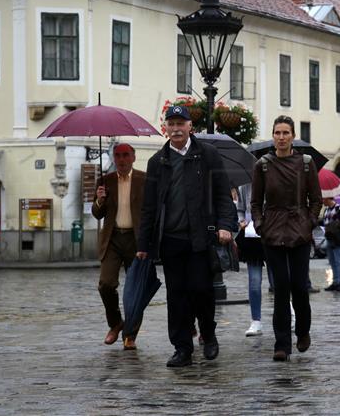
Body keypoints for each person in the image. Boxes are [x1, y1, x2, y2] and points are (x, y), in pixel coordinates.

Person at [136, 105, 237, 368]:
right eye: (172, 124)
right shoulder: (157, 161)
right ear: (165, 128)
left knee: (202, 290)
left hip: (200, 237)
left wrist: (226, 225)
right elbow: (149, 207)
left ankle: (208, 333)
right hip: (170, 240)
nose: (176, 128)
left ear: (191, 126)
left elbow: (223, 195)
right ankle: (182, 348)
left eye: (181, 123)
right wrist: (143, 244)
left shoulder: (207, 155)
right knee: (177, 296)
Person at [251, 115, 322, 362]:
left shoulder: (305, 163)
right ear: (273, 136)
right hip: (273, 231)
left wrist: (310, 221)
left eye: (286, 133)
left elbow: (316, 200)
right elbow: (256, 202)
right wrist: (261, 225)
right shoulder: (263, 165)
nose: (281, 137)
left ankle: (303, 330)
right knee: (280, 287)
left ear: (293, 136)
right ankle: (281, 343)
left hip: (299, 230)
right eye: (277, 133)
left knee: (299, 286)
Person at [91, 143, 145, 351]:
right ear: (113, 158)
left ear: (133, 157)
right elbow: (97, 213)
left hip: (135, 240)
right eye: (117, 156)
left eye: (125, 155)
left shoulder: (144, 179)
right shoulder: (106, 181)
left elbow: (151, 210)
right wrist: (100, 200)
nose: (121, 159)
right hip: (112, 240)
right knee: (106, 284)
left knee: (135, 291)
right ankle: (115, 323)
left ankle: (130, 335)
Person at [234, 184, 264, 336]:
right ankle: (256, 321)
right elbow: (240, 208)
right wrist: (241, 221)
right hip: (252, 236)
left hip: (272, 234)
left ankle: (288, 312)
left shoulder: (273, 176)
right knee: (254, 282)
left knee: (278, 281)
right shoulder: (244, 186)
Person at [321, 197, 340, 292]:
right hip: (329, 238)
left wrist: (333, 226)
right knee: (332, 261)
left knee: (339, 260)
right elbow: (324, 222)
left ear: (328, 199)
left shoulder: (338, 208)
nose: (322, 201)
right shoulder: (326, 210)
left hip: (337, 238)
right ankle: (336, 281)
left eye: (323, 199)